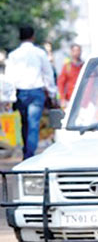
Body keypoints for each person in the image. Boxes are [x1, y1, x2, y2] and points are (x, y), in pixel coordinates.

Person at [5, 26, 57, 159]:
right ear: (33, 37)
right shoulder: (40, 53)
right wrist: (51, 93)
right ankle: (29, 155)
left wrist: (9, 97)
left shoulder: (13, 55)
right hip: (36, 92)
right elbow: (48, 73)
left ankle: (26, 152)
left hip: (20, 93)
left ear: (19, 37)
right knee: (33, 124)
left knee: (24, 123)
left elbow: (9, 78)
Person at [57, 44, 84, 108]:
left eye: (78, 50)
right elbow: (61, 83)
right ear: (71, 52)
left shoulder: (84, 66)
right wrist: (62, 99)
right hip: (70, 100)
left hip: (83, 100)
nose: (76, 52)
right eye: (74, 50)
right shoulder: (67, 66)